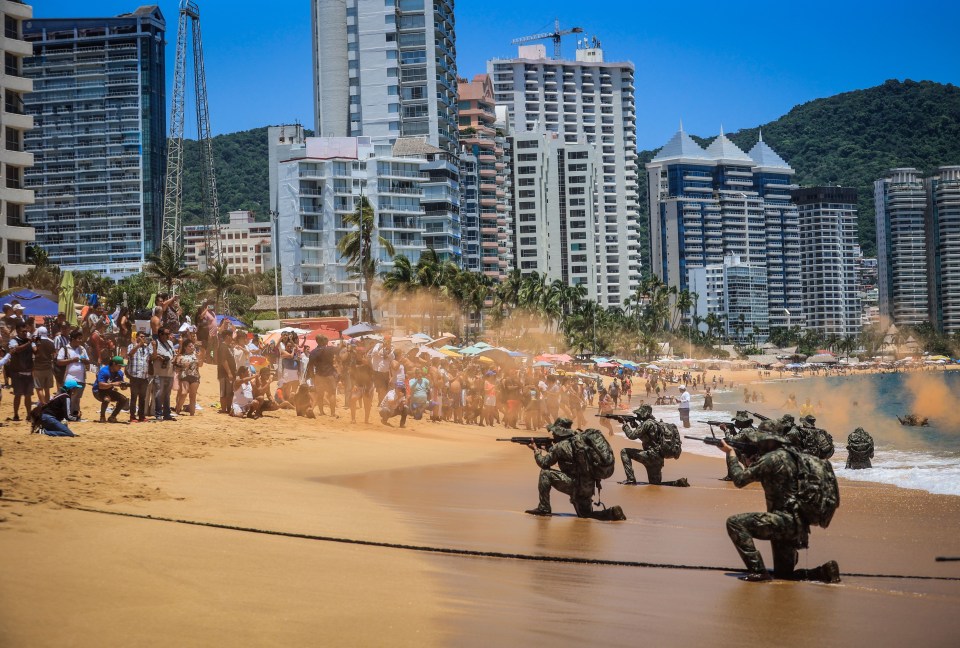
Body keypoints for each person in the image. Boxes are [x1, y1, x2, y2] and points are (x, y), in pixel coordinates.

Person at [718, 426, 841, 583]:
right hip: (797, 525)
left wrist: (730, 453)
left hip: (781, 522)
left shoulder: (772, 459)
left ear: (769, 441)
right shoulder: (794, 456)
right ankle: (823, 572)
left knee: (734, 523)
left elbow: (739, 479)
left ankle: (758, 571)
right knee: (784, 575)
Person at [524, 418, 626, 521]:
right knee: (585, 515)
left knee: (545, 473)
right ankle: (612, 513)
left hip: (574, 485)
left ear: (560, 432)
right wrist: (550, 449)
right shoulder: (580, 440)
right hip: (588, 486)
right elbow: (570, 457)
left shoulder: (560, 446)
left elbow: (544, 463)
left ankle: (544, 508)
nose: (553, 435)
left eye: (554, 432)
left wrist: (536, 451)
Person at [618, 405, 689, 487]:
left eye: (639, 414)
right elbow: (647, 439)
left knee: (624, 452)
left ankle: (630, 479)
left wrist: (624, 424)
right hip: (658, 459)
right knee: (655, 484)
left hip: (649, 456)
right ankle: (678, 483)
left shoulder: (647, 423)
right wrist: (636, 426)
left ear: (645, 414)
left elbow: (631, 436)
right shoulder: (656, 424)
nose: (638, 416)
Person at [57, 330, 90, 419]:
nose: (80, 340)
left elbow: (88, 361)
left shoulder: (82, 349)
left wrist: (84, 361)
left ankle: (75, 414)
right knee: (71, 397)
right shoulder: (65, 349)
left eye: (81, 338)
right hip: (69, 377)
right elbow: (59, 362)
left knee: (77, 398)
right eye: (78, 339)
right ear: (72, 339)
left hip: (81, 378)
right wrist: (71, 360)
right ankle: (70, 414)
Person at [7, 320, 35, 421]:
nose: (25, 332)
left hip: (28, 371)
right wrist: (29, 343)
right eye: (23, 331)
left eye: (26, 331)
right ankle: (16, 415)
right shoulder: (13, 340)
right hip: (17, 373)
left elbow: (36, 352)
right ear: (18, 331)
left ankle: (28, 415)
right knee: (17, 395)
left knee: (28, 396)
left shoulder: (29, 341)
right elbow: (16, 350)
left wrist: (38, 344)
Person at [307, 334, 338, 417]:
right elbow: (340, 349)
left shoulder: (313, 352)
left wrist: (312, 376)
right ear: (324, 341)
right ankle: (333, 413)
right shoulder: (330, 349)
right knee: (332, 393)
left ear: (316, 341)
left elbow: (310, 366)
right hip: (329, 374)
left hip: (319, 375)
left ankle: (321, 412)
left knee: (320, 394)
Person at [92, 356, 130, 424]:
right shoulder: (104, 371)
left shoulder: (119, 373)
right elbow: (101, 386)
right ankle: (102, 417)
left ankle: (113, 416)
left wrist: (124, 386)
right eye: (119, 366)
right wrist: (113, 384)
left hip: (108, 390)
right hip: (98, 391)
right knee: (107, 399)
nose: (120, 367)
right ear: (114, 364)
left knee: (123, 399)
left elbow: (121, 386)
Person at [151, 327, 176, 421]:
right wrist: (154, 349)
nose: (168, 335)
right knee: (159, 393)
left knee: (167, 394)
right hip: (159, 372)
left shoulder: (170, 343)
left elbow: (173, 355)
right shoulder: (155, 343)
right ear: (160, 334)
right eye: (166, 334)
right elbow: (152, 357)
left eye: (169, 333)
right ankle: (158, 414)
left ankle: (166, 414)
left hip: (169, 372)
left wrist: (172, 360)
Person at [126, 331, 152, 423]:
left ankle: (141, 416)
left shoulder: (147, 348)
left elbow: (150, 358)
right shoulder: (131, 345)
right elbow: (130, 354)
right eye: (141, 336)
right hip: (135, 376)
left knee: (142, 398)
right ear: (136, 337)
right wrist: (138, 345)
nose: (143, 338)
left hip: (144, 376)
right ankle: (132, 416)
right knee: (134, 397)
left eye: (144, 337)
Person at [174, 339, 202, 415]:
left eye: (192, 346)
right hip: (184, 375)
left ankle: (192, 414)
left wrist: (199, 357)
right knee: (184, 393)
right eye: (190, 346)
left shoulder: (195, 355)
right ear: (185, 347)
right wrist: (182, 365)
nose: (192, 347)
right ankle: (178, 409)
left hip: (195, 375)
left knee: (193, 395)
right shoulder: (181, 355)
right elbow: (176, 365)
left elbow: (200, 365)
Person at [32, 326, 56, 405]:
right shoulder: (51, 342)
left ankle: (43, 405)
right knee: (47, 389)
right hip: (48, 367)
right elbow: (54, 355)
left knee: (39, 388)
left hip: (38, 367)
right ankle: (47, 404)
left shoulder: (36, 341)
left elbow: (34, 352)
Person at [216, 329, 237, 414]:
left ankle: (228, 408)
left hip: (229, 373)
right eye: (231, 336)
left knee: (230, 392)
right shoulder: (223, 346)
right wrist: (229, 372)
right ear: (228, 336)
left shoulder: (228, 347)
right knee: (224, 392)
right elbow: (224, 360)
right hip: (224, 374)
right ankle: (224, 409)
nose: (232, 338)